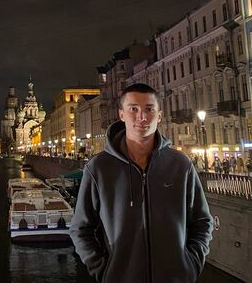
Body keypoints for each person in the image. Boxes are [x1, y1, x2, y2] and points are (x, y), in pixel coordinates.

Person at [70, 83, 213, 283]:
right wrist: (105, 272)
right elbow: (80, 229)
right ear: (121, 114)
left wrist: (190, 266)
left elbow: (203, 221)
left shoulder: (180, 165)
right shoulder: (99, 168)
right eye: (133, 109)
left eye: (149, 109)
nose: (142, 117)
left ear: (159, 115)